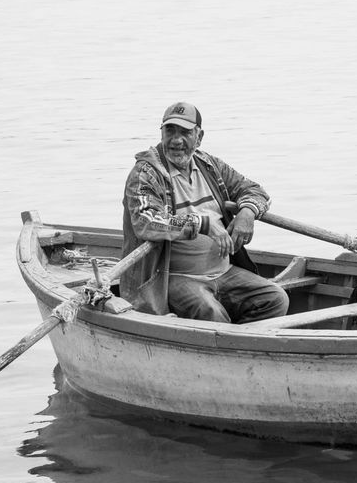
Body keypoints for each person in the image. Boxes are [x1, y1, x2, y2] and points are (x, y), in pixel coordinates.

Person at [119, 102, 289, 323]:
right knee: (211, 313)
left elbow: (254, 190)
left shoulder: (209, 165)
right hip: (172, 278)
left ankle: (234, 348)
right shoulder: (145, 172)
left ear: (199, 137)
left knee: (276, 299)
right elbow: (146, 221)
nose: (176, 140)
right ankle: (228, 347)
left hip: (225, 272)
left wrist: (247, 213)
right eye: (170, 131)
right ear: (161, 133)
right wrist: (202, 224)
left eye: (185, 132)